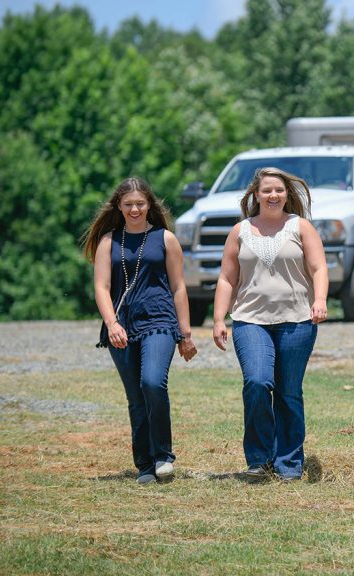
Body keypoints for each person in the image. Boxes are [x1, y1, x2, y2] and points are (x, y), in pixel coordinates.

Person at [212, 167, 329, 482]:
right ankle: (260, 458)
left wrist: (320, 300)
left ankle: (289, 461)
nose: (273, 195)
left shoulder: (300, 227)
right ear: (256, 195)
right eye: (267, 190)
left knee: (289, 392)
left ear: (287, 193)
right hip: (250, 320)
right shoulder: (241, 231)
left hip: (298, 320)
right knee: (259, 382)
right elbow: (227, 277)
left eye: (279, 190)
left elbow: (319, 268)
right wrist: (219, 318)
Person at [83, 177, 198, 485]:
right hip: (121, 325)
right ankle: (145, 464)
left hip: (160, 320)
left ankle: (163, 455)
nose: (134, 209)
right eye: (128, 205)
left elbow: (178, 287)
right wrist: (111, 324)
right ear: (118, 207)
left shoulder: (166, 239)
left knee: (152, 383)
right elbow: (102, 287)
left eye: (140, 204)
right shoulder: (109, 241)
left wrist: (185, 334)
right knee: (135, 396)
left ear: (150, 205)